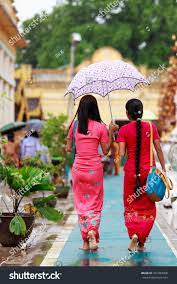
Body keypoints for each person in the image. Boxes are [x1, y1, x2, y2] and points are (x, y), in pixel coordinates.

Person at [66, 95, 117, 251]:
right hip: (94, 169)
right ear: (95, 109)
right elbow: (106, 151)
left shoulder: (74, 126)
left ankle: (85, 241)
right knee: (95, 203)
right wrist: (111, 131)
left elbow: (68, 149)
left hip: (78, 169)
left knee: (81, 205)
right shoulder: (100, 127)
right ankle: (92, 233)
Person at [117, 99, 166, 252]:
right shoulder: (151, 127)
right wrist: (163, 169)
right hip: (149, 174)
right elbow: (158, 150)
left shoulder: (124, 130)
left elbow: (121, 154)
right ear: (142, 112)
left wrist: (115, 134)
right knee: (148, 207)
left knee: (131, 206)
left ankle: (134, 234)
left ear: (127, 113)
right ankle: (141, 239)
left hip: (131, 174)